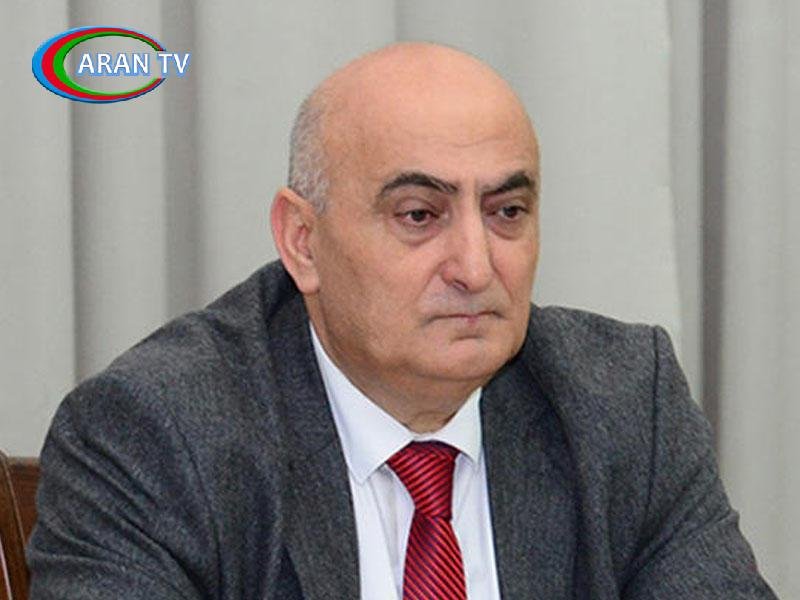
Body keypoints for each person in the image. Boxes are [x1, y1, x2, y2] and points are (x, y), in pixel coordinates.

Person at [28, 43, 776, 599]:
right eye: (419, 215)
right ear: (303, 242)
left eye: (507, 212)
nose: (475, 268)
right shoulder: (156, 432)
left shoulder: (624, 406)